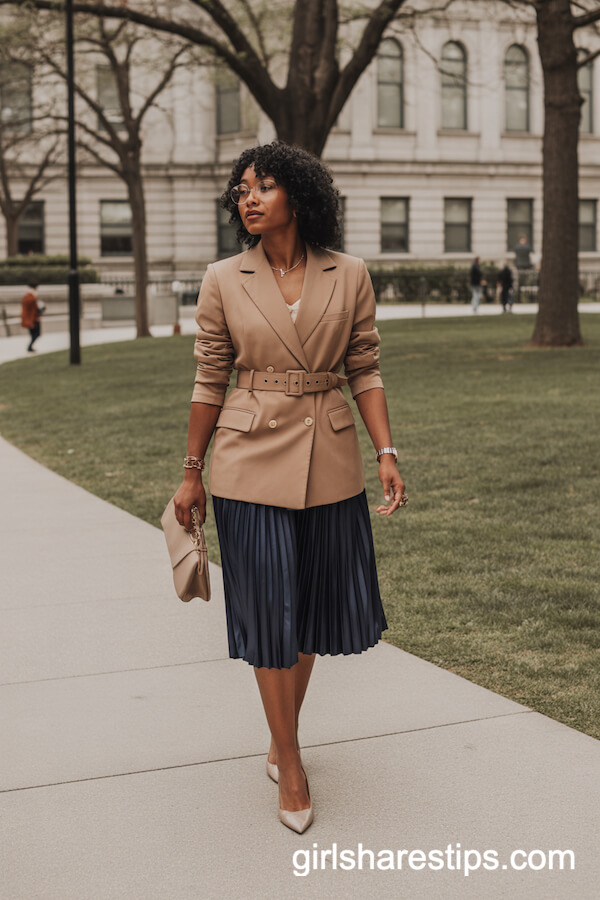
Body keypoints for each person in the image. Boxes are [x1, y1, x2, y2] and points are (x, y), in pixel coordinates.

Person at [173, 141, 406, 835]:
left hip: (330, 457)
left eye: (264, 185)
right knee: (268, 608)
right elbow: (209, 377)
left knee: (305, 610)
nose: (248, 197)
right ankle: (293, 759)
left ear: (298, 198)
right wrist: (190, 471)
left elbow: (364, 366)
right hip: (247, 457)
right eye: (241, 187)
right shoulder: (223, 277)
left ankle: (280, 734)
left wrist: (385, 450)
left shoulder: (350, 272)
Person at [20, 280, 42, 352]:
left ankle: (30, 347)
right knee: (36, 334)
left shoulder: (30, 295)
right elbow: (33, 308)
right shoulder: (30, 296)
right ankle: (30, 347)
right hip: (32, 319)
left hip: (32, 318)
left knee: (35, 334)